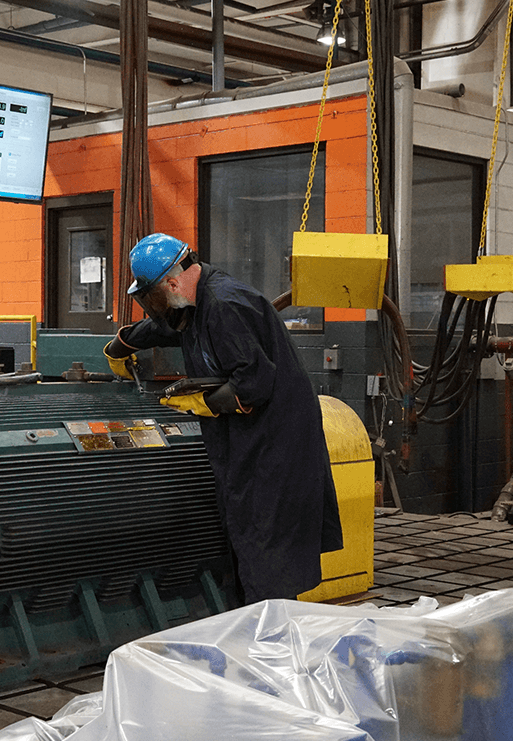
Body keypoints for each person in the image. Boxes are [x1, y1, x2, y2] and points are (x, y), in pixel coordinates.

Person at [103, 233, 342, 604]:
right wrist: (125, 342)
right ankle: (255, 634)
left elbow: (254, 383)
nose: (157, 306)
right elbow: (168, 326)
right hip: (249, 444)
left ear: (172, 281)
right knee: (249, 544)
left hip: (274, 446)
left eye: (154, 296)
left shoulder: (225, 304)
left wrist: (203, 403)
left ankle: (273, 648)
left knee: (267, 550)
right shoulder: (193, 302)